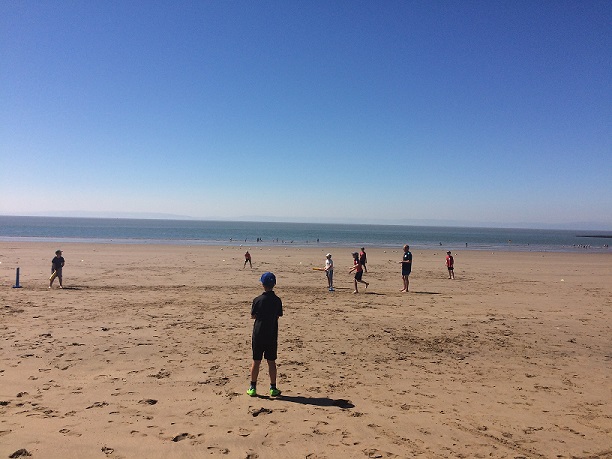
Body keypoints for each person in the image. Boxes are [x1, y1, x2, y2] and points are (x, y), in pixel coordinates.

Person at [248, 272, 283, 397]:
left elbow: (253, 315)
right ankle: (273, 387)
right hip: (271, 333)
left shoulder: (257, 300)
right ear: (274, 284)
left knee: (256, 361)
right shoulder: (277, 300)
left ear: (262, 284)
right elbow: (278, 315)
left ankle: (253, 387)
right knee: (271, 361)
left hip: (258, 333)